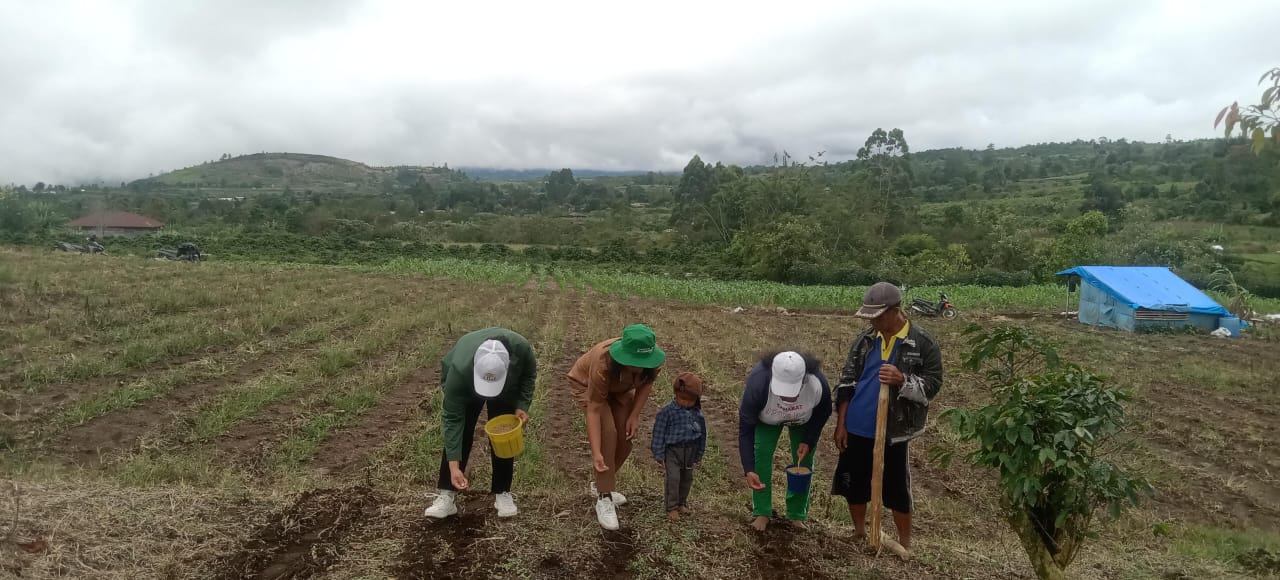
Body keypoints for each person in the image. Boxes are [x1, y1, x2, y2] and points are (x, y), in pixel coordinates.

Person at [832, 282, 943, 555]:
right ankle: (860, 530)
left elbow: (933, 385)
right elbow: (846, 383)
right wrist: (841, 423)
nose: (874, 321)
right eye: (870, 316)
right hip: (858, 424)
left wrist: (902, 379)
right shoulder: (865, 341)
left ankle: (904, 544)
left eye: (878, 316)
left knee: (896, 488)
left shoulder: (922, 343)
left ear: (896, 311)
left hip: (894, 429)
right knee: (854, 483)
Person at [423, 327, 537, 520]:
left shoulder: (521, 349)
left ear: (509, 364)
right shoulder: (459, 371)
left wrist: (522, 405)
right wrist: (454, 466)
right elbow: (453, 420)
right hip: (468, 384)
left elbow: (528, 376)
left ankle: (502, 492)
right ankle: (446, 494)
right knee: (463, 428)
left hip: (506, 388)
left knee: (503, 434)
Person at [569, 324, 666, 531]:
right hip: (588, 385)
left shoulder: (653, 361)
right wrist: (596, 453)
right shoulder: (603, 363)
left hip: (621, 389)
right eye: (634, 363)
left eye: (643, 363)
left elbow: (646, 384)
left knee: (625, 437)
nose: (640, 368)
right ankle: (604, 497)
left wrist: (634, 415)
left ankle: (601, 484)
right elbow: (594, 410)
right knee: (609, 434)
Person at [738, 351, 832, 532]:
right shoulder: (758, 384)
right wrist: (748, 469)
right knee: (761, 456)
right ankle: (762, 512)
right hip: (768, 419)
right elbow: (746, 430)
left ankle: (796, 515)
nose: (788, 398)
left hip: (803, 420)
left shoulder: (817, 384)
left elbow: (823, 412)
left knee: (803, 462)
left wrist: (808, 439)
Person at [650, 372, 707, 521]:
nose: (686, 403)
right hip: (672, 452)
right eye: (682, 399)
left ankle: (682, 503)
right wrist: (658, 453)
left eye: (690, 400)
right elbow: (659, 432)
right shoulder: (667, 412)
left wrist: (699, 453)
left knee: (687, 479)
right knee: (673, 479)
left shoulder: (697, 415)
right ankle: (671, 507)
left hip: (690, 451)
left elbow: (702, 435)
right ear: (676, 394)